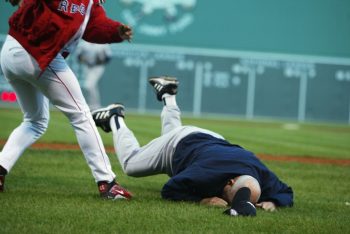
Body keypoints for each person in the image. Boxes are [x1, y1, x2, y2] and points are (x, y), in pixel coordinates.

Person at [91, 76, 294, 212]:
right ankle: (114, 117)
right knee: (131, 165)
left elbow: (285, 192)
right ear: (230, 182)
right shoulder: (206, 173)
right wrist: (202, 200)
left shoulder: (258, 173)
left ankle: (168, 94)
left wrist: (273, 201)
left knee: (173, 132)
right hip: (177, 147)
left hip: (208, 139)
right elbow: (170, 189)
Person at [0, 0, 134, 200]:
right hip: (35, 53)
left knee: (35, 121)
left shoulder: (90, 3)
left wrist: (115, 31)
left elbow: (93, 26)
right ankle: (107, 183)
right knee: (82, 116)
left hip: (12, 54)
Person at [76, 41, 112, 109]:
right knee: (92, 87)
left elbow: (108, 58)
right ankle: (95, 105)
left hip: (98, 67)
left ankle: (92, 105)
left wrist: (101, 59)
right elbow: (78, 56)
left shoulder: (103, 43)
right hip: (87, 66)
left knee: (88, 85)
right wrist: (84, 59)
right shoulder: (84, 43)